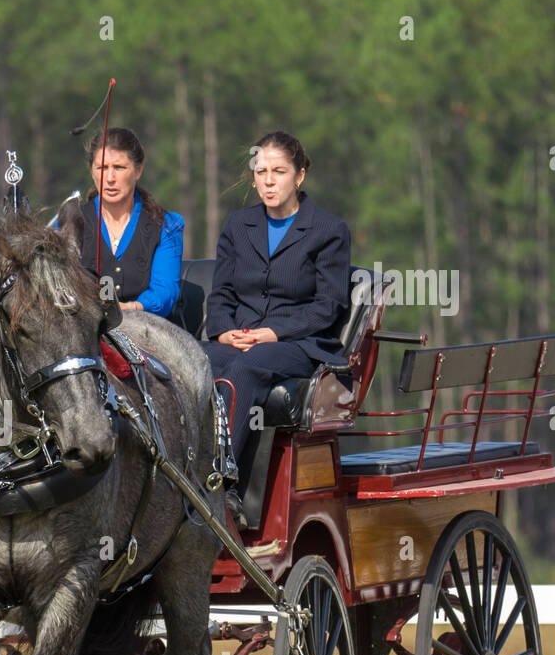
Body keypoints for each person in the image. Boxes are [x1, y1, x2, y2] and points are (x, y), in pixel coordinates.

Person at [202, 131, 351, 480]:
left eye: (279, 172)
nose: (268, 181)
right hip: (240, 338)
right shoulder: (238, 226)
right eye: (260, 172)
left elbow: (327, 307)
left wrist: (271, 333)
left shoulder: (328, 230)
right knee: (189, 359)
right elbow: (221, 292)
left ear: (299, 175)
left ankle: (220, 482)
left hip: (299, 344)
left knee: (246, 368)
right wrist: (223, 333)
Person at [77, 128, 184, 319]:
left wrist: (131, 308)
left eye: (119, 168)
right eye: (102, 168)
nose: (110, 178)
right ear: (92, 171)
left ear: (138, 170)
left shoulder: (166, 226)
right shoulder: (70, 224)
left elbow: (165, 291)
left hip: (146, 331)